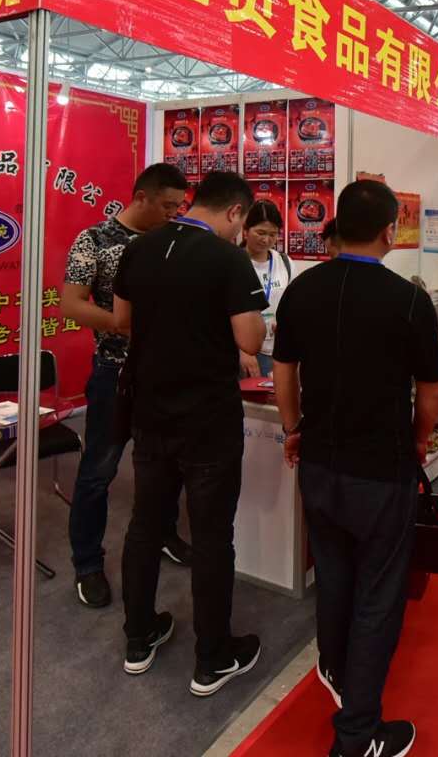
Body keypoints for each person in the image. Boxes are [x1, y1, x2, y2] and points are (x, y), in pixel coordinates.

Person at [273, 180, 438, 757]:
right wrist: (419, 441)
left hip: (319, 463)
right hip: (382, 469)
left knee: (334, 573)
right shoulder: (409, 300)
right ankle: (357, 735)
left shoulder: (302, 290)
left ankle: (336, 667)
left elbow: (284, 372)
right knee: (378, 593)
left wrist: (293, 428)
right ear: (389, 231)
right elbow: (431, 393)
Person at [113, 171, 268, 694]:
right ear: (236, 213)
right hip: (208, 418)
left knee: (145, 525)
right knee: (211, 536)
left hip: (150, 411)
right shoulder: (228, 259)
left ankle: (138, 638)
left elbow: (123, 321)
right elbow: (250, 338)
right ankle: (212, 657)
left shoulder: (140, 247)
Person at [62, 163, 191, 608]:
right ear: (141, 198)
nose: (174, 213)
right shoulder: (94, 240)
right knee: (99, 470)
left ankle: (165, 533)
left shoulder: (172, 241)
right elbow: (71, 304)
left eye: (179, 206)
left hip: (166, 372)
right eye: (168, 205)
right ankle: (87, 563)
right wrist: (122, 325)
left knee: (168, 464)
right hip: (114, 372)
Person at [240, 199, 292, 378]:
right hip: (245, 353)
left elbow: (291, 302)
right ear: (246, 230)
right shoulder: (234, 262)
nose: (266, 240)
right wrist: (242, 351)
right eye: (260, 232)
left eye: (273, 234)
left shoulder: (284, 262)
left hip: (276, 349)